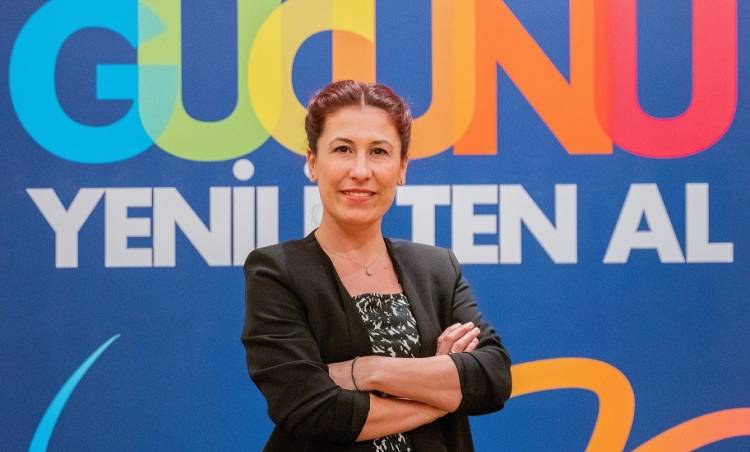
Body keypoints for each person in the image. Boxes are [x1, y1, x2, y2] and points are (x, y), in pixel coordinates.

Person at [241, 80, 511, 451]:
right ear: (313, 163)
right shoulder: (277, 271)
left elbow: (492, 378)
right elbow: (311, 409)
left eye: (379, 152)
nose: (360, 170)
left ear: (402, 167)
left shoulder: (437, 269)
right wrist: (441, 389)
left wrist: (369, 370)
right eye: (343, 149)